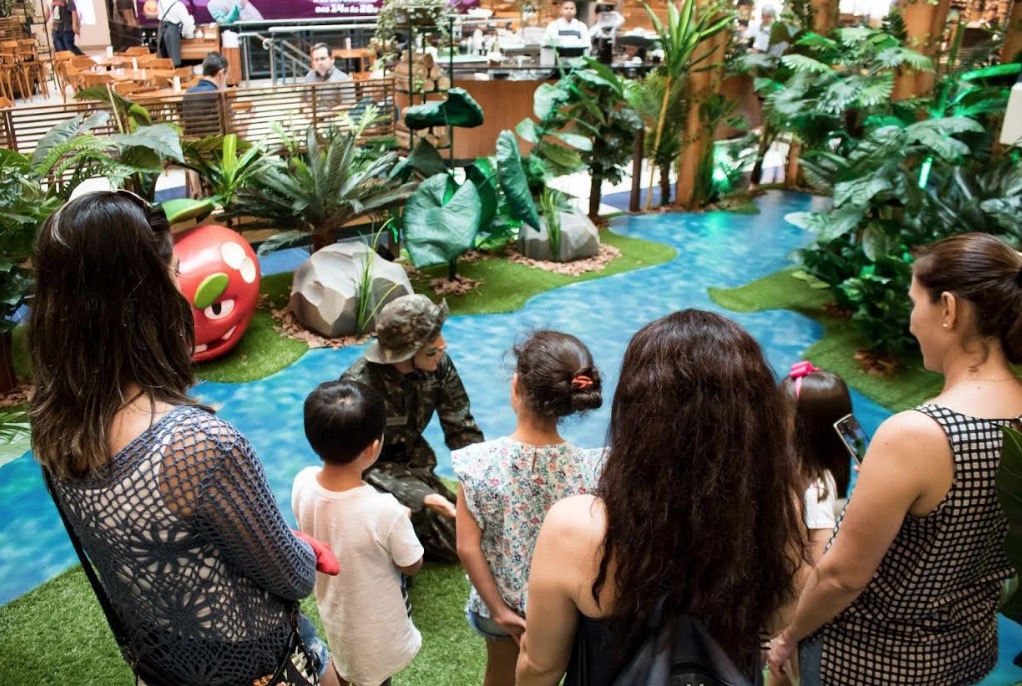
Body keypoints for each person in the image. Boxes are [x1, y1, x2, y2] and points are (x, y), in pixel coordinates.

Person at [29, 191, 333, 685]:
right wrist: (299, 546)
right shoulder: (197, 445)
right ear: (149, 296)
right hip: (251, 662)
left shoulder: (54, 426)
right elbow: (293, 578)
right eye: (174, 273)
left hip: (163, 661)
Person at [767, 232, 1021, 686]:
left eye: (914, 303)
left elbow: (843, 577)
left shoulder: (918, 434)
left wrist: (789, 637)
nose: (910, 321)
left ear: (948, 309)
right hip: (968, 650)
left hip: (874, 662)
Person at [516, 309, 807, 685]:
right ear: (755, 417)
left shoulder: (575, 528)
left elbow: (540, 667)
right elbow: (781, 618)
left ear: (637, 413)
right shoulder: (775, 512)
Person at [453, 331, 604, 686]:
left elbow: (466, 546)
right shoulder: (592, 468)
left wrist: (501, 612)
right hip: (566, 608)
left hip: (499, 605)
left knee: (501, 675)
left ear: (517, 385)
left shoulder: (477, 464)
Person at [293, 380, 425, 686]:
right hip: (375, 629)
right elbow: (412, 564)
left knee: (342, 664)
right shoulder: (385, 510)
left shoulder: (302, 482)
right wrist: (401, 521)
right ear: (373, 447)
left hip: (335, 611)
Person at [340, 294, 484, 563]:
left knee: (466, 534)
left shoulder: (439, 365)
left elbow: (461, 427)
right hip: (370, 476)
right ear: (405, 354)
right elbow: (354, 463)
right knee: (430, 538)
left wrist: (482, 482)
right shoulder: (360, 388)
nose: (443, 346)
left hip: (413, 463)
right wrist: (421, 496)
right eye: (431, 348)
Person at [779, 361, 853, 563]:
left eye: (781, 412)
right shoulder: (814, 470)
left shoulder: (816, 493)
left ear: (803, 428)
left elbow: (819, 563)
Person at [182, 51, 231, 137]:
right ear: (221, 73)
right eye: (226, 74)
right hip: (215, 145)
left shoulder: (188, 93)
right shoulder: (219, 96)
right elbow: (230, 128)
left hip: (194, 145)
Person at [304, 42, 355, 111]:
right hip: (310, 118)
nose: (319, 63)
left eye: (323, 58)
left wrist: (324, 114)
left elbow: (348, 105)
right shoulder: (309, 76)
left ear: (332, 59)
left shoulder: (343, 79)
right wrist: (307, 111)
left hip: (334, 119)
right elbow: (303, 102)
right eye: (316, 60)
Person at [156, 0, 195, 67]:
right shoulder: (179, 5)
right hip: (172, 31)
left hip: (161, 31)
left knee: (163, 59)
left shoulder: (161, 2)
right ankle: (176, 75)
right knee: (174, 60)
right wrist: (187, 34)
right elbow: (188, 23)